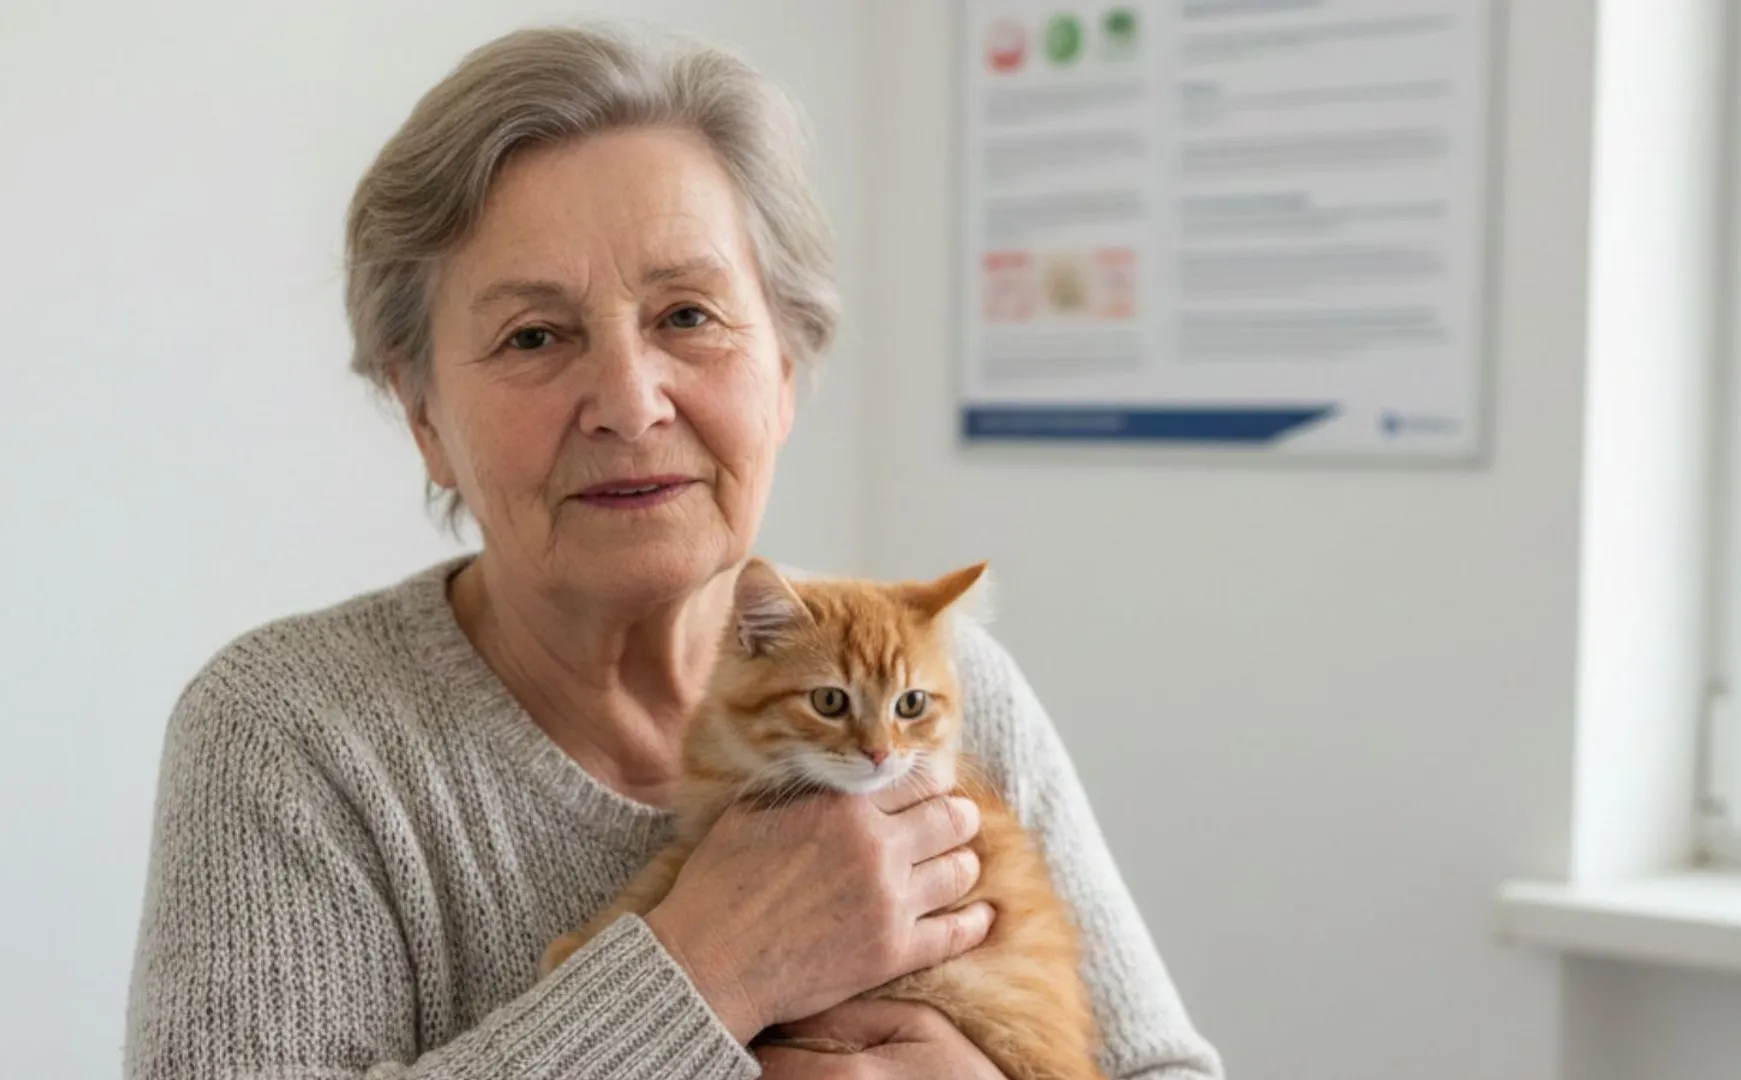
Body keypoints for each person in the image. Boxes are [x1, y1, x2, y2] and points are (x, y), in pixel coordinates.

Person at [124, 25, 1222, 1080]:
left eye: (689, 315)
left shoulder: (947, 681)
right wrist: (707, 967)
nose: (630, 402)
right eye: (535, 336)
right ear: (423, 416)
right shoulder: (292, 731)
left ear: (785, 372)